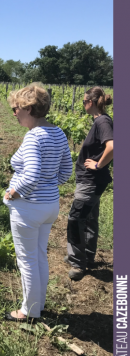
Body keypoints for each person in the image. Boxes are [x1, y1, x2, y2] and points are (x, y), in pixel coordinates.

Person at [3, 84, 72, 322]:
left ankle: (28, 312)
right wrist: (49, 185)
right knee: (40, 255)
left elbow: (31, 175)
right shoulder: (59, 133)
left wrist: (13, 192)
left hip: (29, 209)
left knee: (27, 260)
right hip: (50, 205)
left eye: (16, 108)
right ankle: (38, 304)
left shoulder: (33, 137)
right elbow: (66, 172)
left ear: (29, 108)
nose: (14, 113)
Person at [65, 87, 113, 281]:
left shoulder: (102, 121)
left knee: (76, 219)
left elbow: (112, 146)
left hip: (90, 182)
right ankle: (88, 257)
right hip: (93, 182)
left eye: (84, 101)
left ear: (90, 103)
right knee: (90, 219)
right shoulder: (101, 120)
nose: (83, 104)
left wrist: (98, 164)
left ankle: (77, 263)